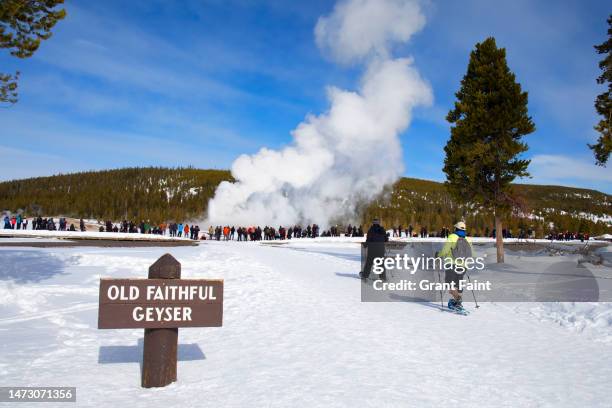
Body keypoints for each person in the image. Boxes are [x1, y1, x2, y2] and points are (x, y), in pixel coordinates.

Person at [438, 221, 473, 311]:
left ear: (456, 228)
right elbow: (471, 253)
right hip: (463, 266)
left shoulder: (452, 237)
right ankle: (457, 302)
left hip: (452, 264)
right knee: (458, 283)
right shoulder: (468, 239)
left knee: (450, 284)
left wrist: (438, 255)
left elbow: (445, 250)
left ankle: (458, 300)